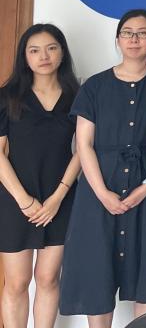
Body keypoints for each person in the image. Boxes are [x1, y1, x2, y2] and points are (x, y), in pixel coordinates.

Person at [60, 9, 146, 326]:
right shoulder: (95, 86)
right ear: (118, 39)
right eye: (127, 33)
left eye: (143, 33)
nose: (134, 39)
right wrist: (102, 193)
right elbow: (84, 144)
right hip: (98, 190)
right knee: (97, 272)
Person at [0, 24, 80, 328]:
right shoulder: (7, 97)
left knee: (48, 279)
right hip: (14, 199)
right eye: (34, 50)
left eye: (51, 48)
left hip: (60, 198)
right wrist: (24, 200)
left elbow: (83, 150)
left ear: (62, 53)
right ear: (25, 56)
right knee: (17, 282)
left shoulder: (78, 96)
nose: (43, 56)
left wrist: (58, 197)